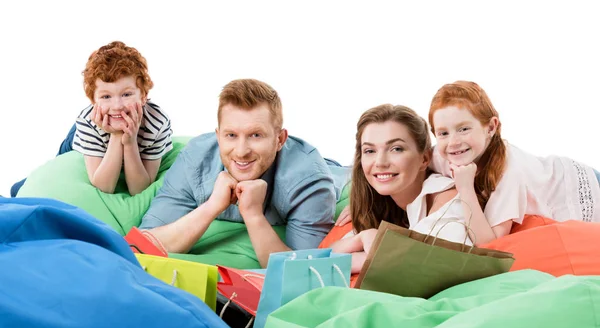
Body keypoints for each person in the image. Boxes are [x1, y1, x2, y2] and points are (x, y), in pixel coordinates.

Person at [139, 79, 344, 267]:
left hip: (330, 171)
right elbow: (142, 245)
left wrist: (253, 215)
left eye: (256, 135)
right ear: (218, 136)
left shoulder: (309, 179)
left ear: (280, 139)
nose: (241, 151)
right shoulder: (194, 159)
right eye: (231, 135)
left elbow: (301, 273)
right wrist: (212, 206)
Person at [428, 80, 600, 245]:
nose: (453, 142)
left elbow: (490, 243)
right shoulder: (445, 154)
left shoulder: (509, 172)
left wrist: (465, 188)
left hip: (578, 186)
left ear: (490, 127)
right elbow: (415, 162)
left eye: (464, 129)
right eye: (443, 133)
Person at [9, 41, 172, 197]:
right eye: (106, 96)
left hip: (131, 142)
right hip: (83, 137)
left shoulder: (157, 123)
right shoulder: (88, 121)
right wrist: (116, 136)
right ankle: (18, 188)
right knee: (49, 175)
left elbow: (139, 189)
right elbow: (104, 187)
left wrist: (129, 142)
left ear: (143, 96)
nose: (117, 106)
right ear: (94, 101)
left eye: (127, 94)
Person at [330, 104, 471, 273]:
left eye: (396, 149)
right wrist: (362, 237)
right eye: (369, 150)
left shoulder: (447, 198)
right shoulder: (380, 202)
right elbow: (327, 253)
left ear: (424, 158)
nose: (380, 162)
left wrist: (371, 245)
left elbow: (415, 263)